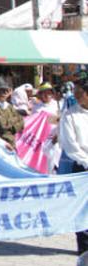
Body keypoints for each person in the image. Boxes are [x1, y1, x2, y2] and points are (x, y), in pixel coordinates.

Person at [59, 81, 88, 254]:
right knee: (84, 208)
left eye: (80, 92)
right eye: (75, 92)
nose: (76, 96)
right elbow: (71, 147)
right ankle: (84, 248)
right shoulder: (70, 115)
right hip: (83, 167)